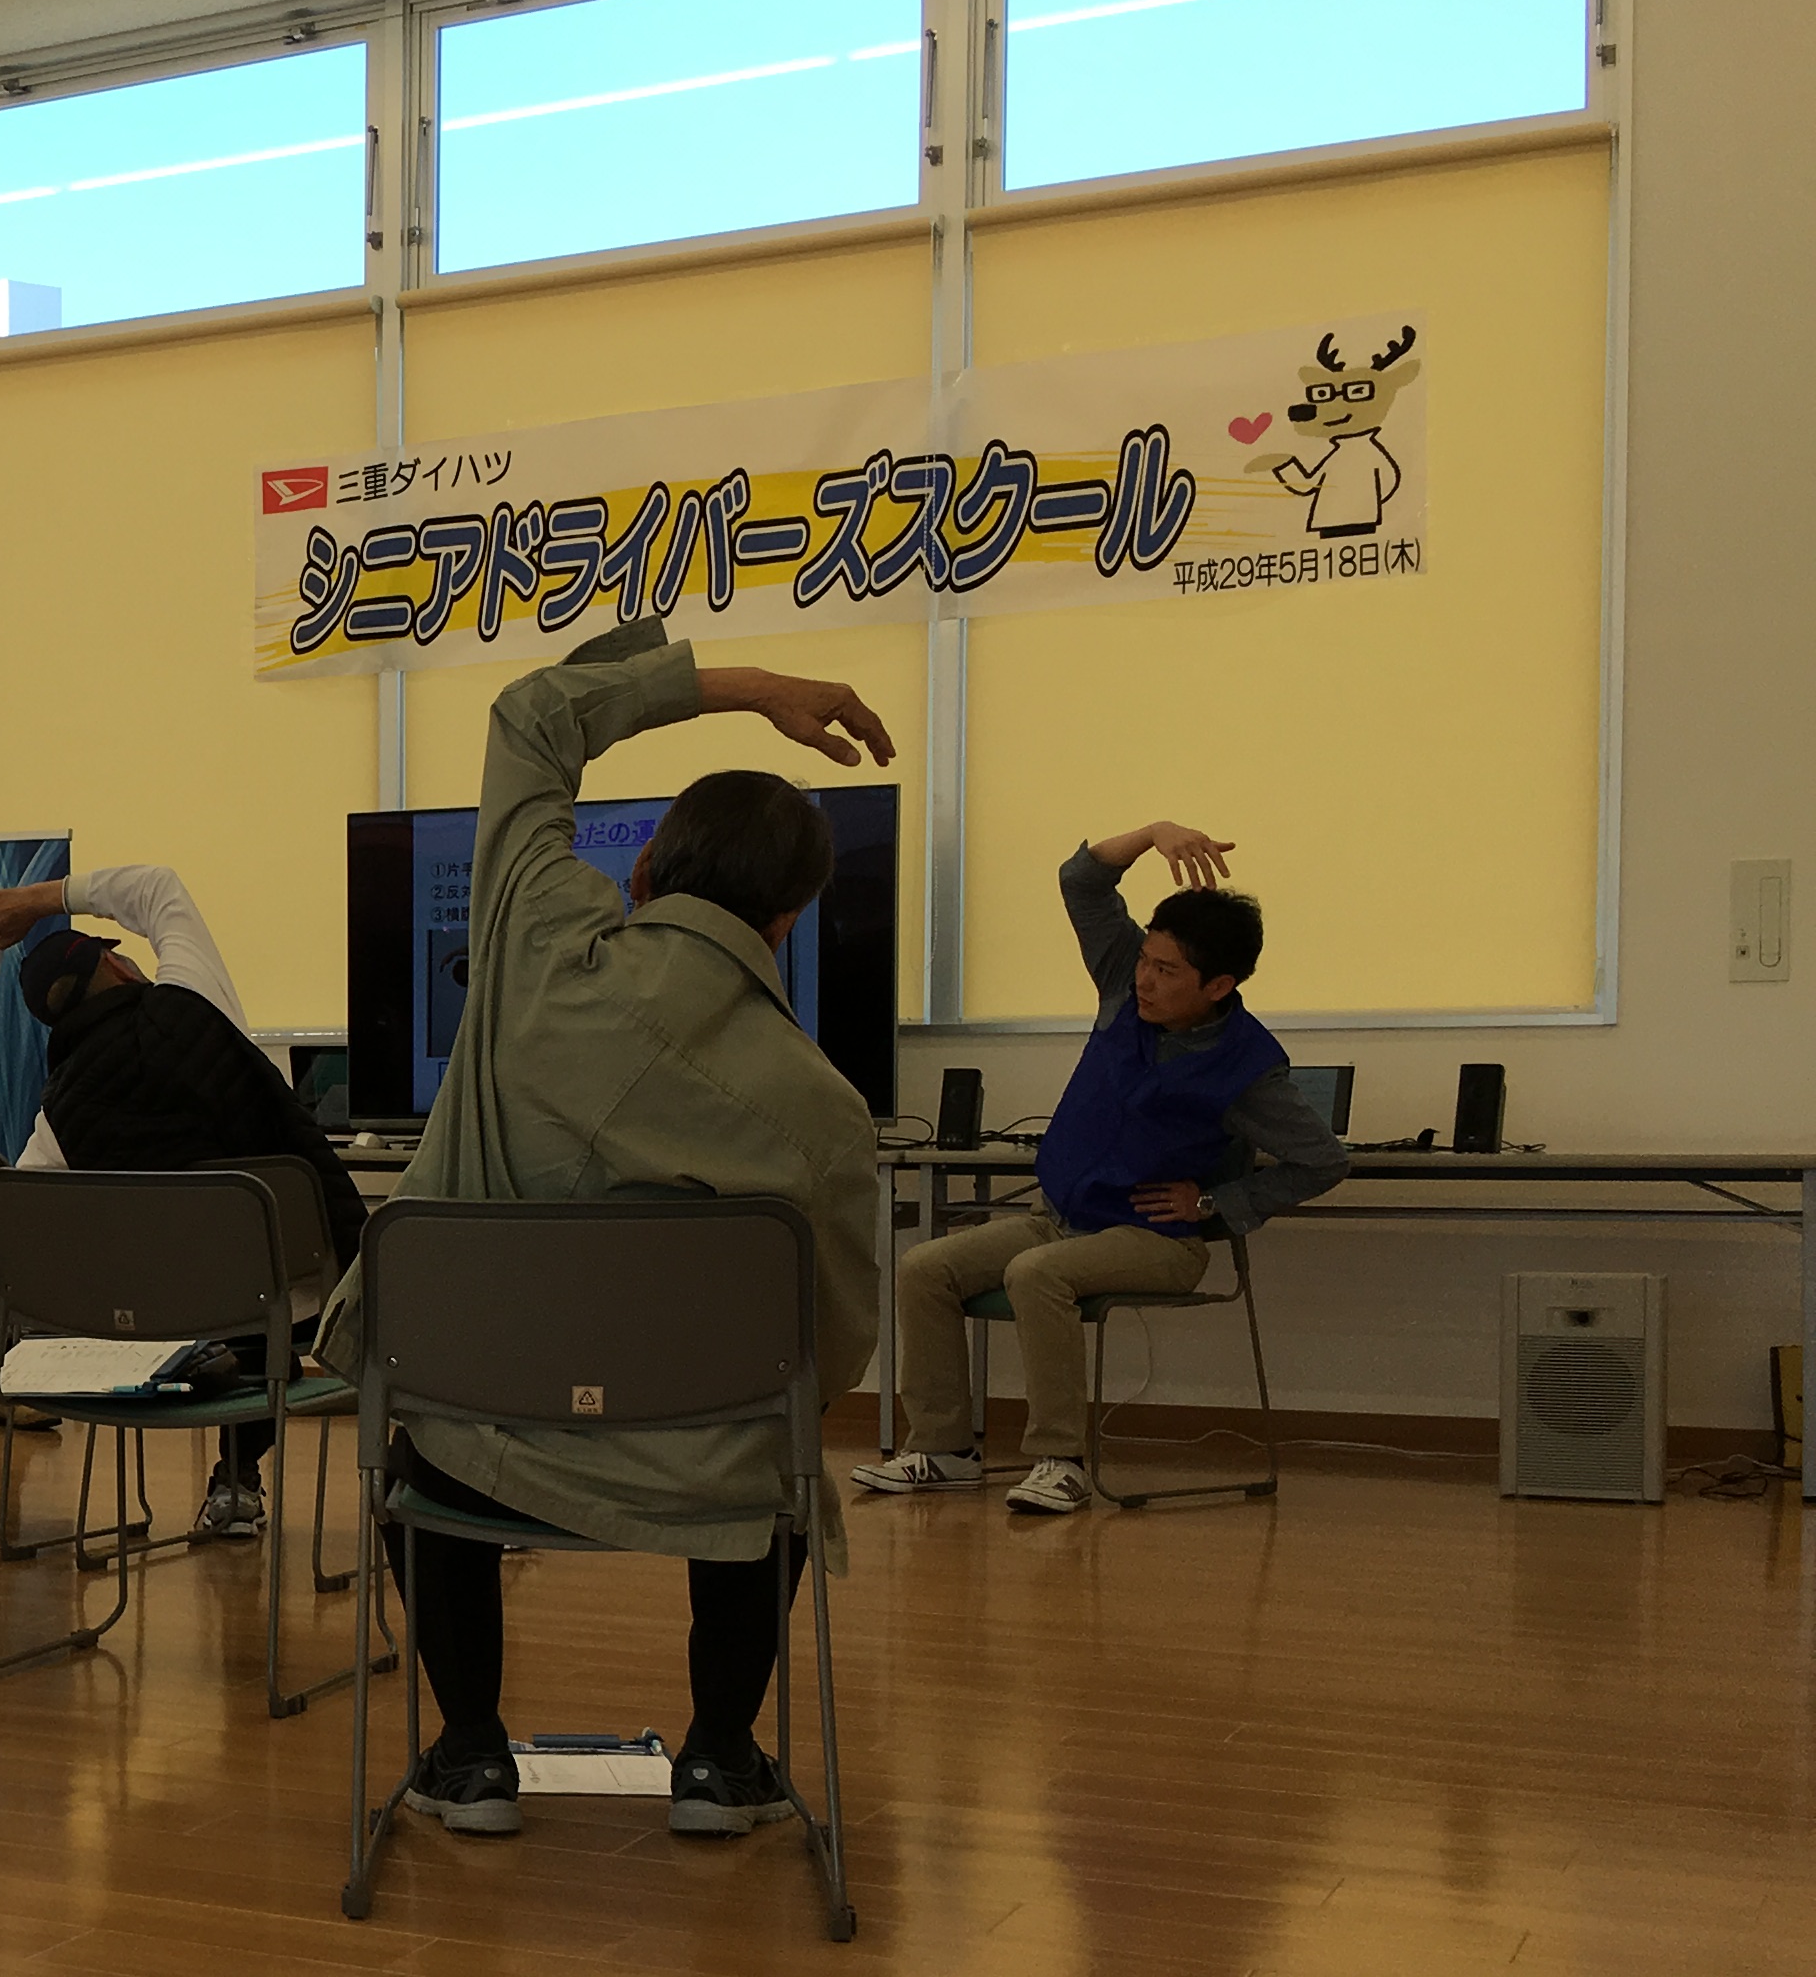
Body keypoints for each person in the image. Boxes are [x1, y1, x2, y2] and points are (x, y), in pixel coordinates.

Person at [349, 618, 889, 1842]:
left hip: (477, 1443)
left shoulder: (534, 945)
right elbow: (833, 1344)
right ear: (790, 920)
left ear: (642, 868)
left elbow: (532, 718)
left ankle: (471, 1757)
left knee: (422, 1430)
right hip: (696, 1470)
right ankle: (719, 1762)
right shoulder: (824, 1108)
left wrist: (753, 685)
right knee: (776, 1451)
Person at [856, 823, 1347, 1515]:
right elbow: (1081, 881)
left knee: (1036, 1275)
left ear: (1219, 985)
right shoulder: (1123, 985)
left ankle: (1061, 1462)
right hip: (1062, 1219)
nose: (1145, 978)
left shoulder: (1251, 1069)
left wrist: (1213, 1204)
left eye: (1167, 971)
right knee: (923, 1268)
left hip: (1158, 1240)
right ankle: (943, 1449)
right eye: (1147, 959)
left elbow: (1323, 1161)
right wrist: (1152, 833)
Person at [0, 863, 362, 1541]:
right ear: (118, 964)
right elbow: (158, 888)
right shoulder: (194, 1000)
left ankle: (235, 1483)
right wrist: (37, 899)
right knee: (269, 1291)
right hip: (291, 1296)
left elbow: (22, 1223)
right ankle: (252, 1475)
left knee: (234, 1290)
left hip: (152, 1323)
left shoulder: (57, 1119)